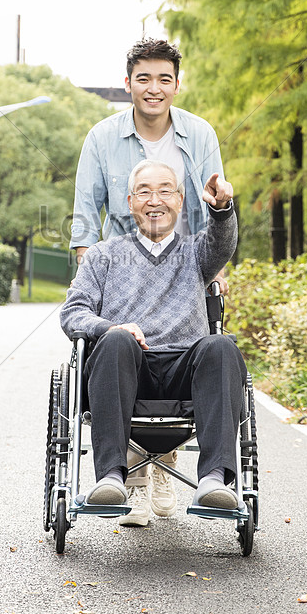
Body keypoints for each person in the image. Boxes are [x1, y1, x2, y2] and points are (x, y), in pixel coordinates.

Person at [69, 38, 228, 526]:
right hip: (120, 273)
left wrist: (217, 256)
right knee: (118, 343)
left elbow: (216, 209)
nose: (154, 88)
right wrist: (91, 271)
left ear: (177, 84)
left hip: (188, 261)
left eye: (164, 78)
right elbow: (85, 209)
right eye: (144, 78)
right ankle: (124, 477)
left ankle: (191, 473)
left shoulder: (199, 135)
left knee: (213, 348)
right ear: (128, 84)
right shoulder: (102, 137)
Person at [60, 160, 246, 517]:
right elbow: (73, 313)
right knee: (114, 340)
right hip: (125, 369)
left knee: (221, 345)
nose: (154, 199)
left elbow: (224, 243)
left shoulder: (196, 252)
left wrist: (222, 209)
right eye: (144, 191)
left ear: (179, 200)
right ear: (130, 202)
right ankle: (112, 479)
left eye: (165, 191)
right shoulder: (102, 256)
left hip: (186, 374)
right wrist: (110, 328)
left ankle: (213, 482)